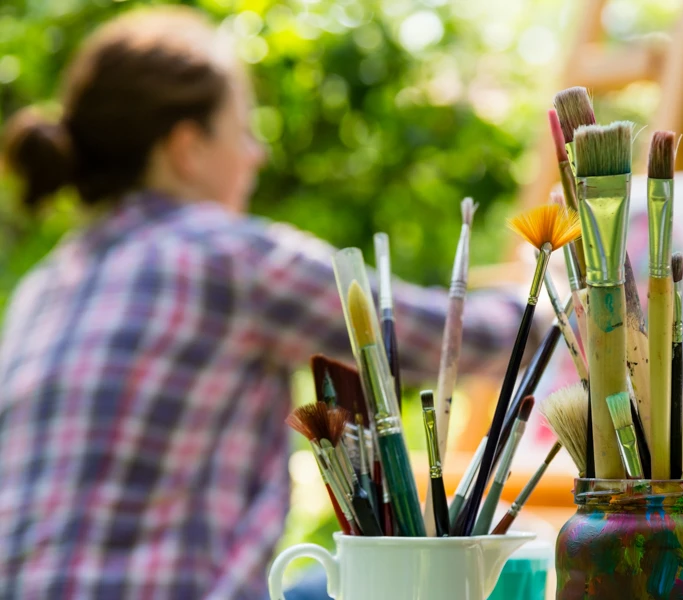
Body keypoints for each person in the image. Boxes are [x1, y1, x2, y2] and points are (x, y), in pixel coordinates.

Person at [0, 7, 540, 599]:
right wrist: (552, 304)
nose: (257, 155)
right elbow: (439, 340)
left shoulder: (43, 287)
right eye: (243, 132)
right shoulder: (228, 257)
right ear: (187, 147)